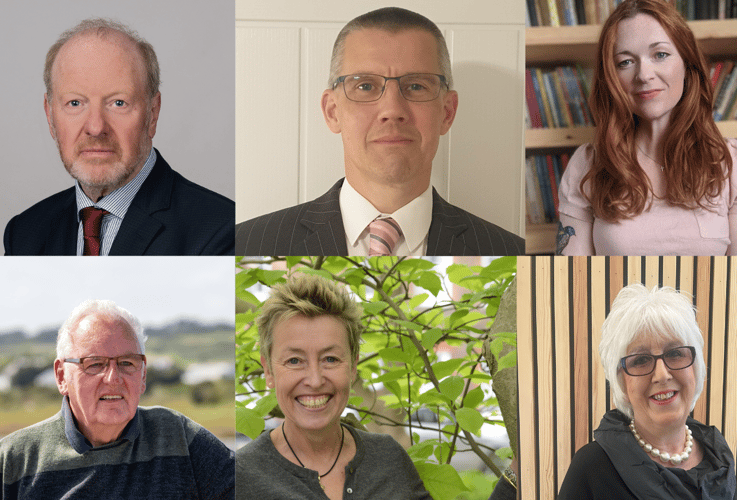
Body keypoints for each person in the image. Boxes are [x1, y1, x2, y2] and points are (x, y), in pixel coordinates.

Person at [235, 7, 524, 256]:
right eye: (365, 86)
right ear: (332, 111)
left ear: (447, 112)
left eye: (415, 86)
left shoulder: (511, 250)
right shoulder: (243, 244)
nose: (392, 109)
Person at [4, 18, 234, 256]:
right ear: (50, 115)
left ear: (152, 113)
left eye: (118, 103)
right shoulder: (23, 234)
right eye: (75, 103)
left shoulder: (221, 230)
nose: (95, 127)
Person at [556, 0, 737, 256]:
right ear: (612, 78)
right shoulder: (588, 164)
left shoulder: (735, 163)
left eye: (660, 55)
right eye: (625, 62)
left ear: (687, 64)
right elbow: (572, 282)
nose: (644, 75)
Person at [0, 300, 235, 499]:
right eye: (94, 364)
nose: (113, 378)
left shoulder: (179, 435)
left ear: (143, 375)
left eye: (126, 363)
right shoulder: (14, 459)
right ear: (62, 377)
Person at [236, 273, 431, 499]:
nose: (315, 380)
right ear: (269, 371)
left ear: (353, 367)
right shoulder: (241, 477)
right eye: (294, 361)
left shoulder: (389, 457)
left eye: (330, 359)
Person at [558, 284, 737, 499]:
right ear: (621, 382)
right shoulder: (592, 467)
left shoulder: (718, 456)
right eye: (640, 360)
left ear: (695, 367)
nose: (662, 375)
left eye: (675, 353)